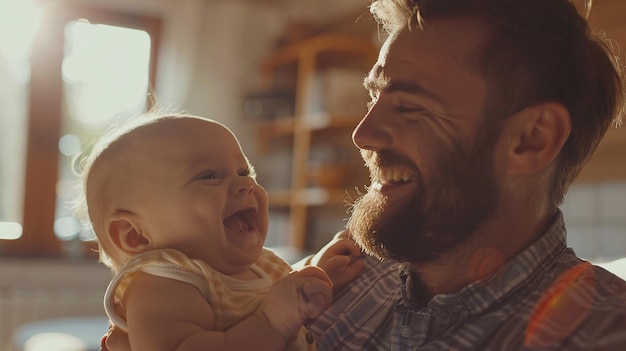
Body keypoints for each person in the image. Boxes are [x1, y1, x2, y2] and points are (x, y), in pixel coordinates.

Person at [103, 0, 626, 349]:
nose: (363, 134)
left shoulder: (599, 331)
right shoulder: (338, 275)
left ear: (530, 140)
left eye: (412, 108)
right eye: (375, 95)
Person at [75, 113, 364, 351]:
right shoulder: (165, 281)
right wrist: (271, 323)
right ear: (135, 235)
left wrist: (317, 275)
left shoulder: (262, 265)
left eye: (244, 172)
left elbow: (278, 297)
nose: (245, 185)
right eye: (209, 176)